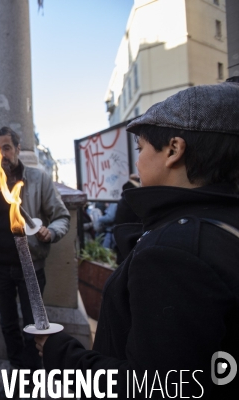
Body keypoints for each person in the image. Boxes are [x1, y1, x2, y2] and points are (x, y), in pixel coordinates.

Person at [35, 80, 239, 399]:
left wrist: (60, 354)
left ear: (173, 149)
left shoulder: (174, 252)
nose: (138, 161)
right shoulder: (210, 225)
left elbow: (159, 386)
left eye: (141, 149)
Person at [0, 127, 70, 372]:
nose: (2, 154)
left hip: (31, 269)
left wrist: (51, 231)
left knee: (34, 327)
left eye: (6, 147)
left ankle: (33, 374)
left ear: (17, 149)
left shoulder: (39, 179)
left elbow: (61, 216)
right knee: (8, 325)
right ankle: (17, 371)